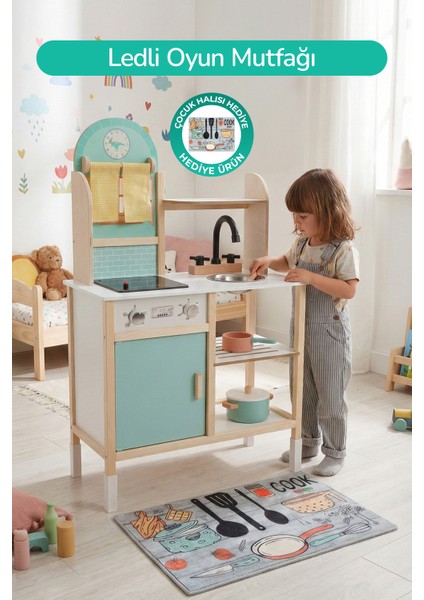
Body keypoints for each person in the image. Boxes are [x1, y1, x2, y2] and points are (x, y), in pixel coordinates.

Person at [249, 168, 360, 476]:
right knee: (303, 390)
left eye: (302, 216)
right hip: (300, 328)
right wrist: (269, 261)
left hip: (330, 333)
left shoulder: (343, 249)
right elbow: (287, 262)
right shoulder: (301, 243)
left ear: (327, 212)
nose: (296, 222)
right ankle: (308, 441)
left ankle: (335, 452)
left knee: (331, 395)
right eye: (294, 216)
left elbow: (349, 289)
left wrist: (311, 277)